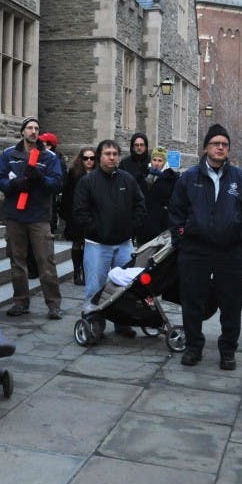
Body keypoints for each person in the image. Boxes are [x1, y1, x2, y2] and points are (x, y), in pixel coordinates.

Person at [168, 124, 242, 370]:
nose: (220, 148)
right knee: (192, 301)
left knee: (231, 303)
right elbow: (176, 211)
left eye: (224, 144)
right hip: (195, 251)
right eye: (215, 143)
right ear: (206, 148)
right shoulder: (189, 178)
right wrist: (181, 239)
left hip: (231, 252)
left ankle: (228, 350)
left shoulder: (240, 179)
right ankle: (193, 347)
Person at [73, 139, 146, 336]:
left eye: (115, 154)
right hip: (97, 245)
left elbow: (140, 204)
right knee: (95, 287)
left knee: (125, 287)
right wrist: (96, 230)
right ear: (99, 156)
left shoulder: (127, 179)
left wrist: (132, 227)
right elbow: (80, 212)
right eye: (108, 154)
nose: (112, 157)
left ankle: (122, 322)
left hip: (124, 244)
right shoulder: (87, 182)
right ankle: (93, 322)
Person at [0, 116, 64, 319]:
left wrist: (41, 179)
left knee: (46, 261)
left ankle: (53, 304)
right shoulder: (9, 154)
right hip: (15, 215)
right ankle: (20, 302)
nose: (33, 131)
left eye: (36, 128)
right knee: (17, 262)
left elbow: (57, 183)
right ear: (22, 131)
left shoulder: (49, 157)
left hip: (39, 216)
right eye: (30, 128)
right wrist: (13, 185)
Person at [58, 146, 96, 285]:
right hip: (76, 215)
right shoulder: (74, 173)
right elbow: (67, 195)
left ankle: (86, 272)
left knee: (89, 245)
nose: (89, 161)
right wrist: (68, 214)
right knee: (77, 243)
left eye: (92, 158)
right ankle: (76, 271)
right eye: (86, 158)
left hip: (92, 215)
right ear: (81, 159)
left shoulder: (98, 174)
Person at [136, 146, 179, 244]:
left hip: (161, 224)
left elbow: (175, 200)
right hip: (143, 224)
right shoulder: (142, 175)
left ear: (164, 162)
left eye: (160, 160)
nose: (156, 163)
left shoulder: (172, 178)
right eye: (154, 160)